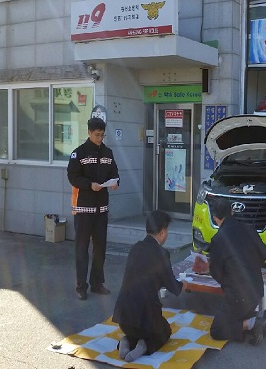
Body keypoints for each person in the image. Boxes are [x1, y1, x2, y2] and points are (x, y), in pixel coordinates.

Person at [112, 210, 185, 362]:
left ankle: (126, 340)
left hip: (123, 317)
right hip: (145, 320)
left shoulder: (135, 248)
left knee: (136, 329)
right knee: (165, 330)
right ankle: (144, 346)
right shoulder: (161, 253)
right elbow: (172, 286)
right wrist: (184, 284)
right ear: (162, 232)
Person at [67, 117, 119, 301]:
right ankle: (81, 286)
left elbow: (114, 172)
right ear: (89, 132)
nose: (100, 138)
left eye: (102, 135)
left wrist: (115, 182)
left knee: (100, 248)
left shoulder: (107, 153)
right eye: (97, 135)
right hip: (84, 209)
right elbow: (73, 177)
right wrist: (90, 185)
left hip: (101, 209)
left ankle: (97, 283)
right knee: (82, 249)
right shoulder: (79, 153)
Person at [208, 199, 266, 345]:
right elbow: (264, 254)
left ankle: (253, 323)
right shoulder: (249, 229)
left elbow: (215, 272)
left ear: (215, 218)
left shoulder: (218, 239)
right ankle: (260, 316)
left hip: (238, 295)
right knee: (237, 314)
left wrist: (228, 282)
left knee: (217, 329)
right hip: (256, 289)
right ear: (232, 211)